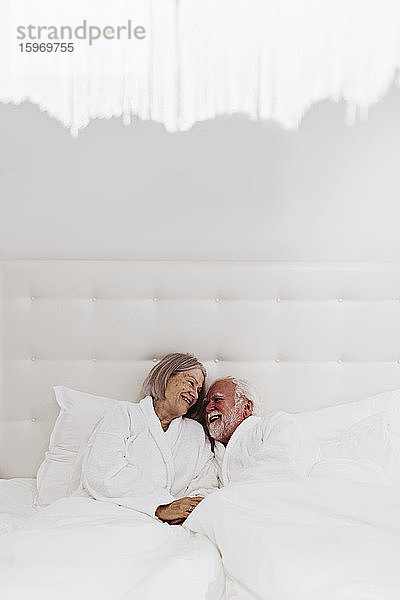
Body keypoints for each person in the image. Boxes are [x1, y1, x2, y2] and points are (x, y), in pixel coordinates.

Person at [82, 353, 218, 524]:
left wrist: (187, 511)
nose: (195, 395)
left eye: (199, 390)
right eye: (190, 383)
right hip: (111, 511)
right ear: (166, 377)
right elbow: (103, 469)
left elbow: (207, 481)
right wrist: (162, 506)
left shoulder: (195, 433)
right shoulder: (125, 413)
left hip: (172, 525)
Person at [204, 377, 320, 486]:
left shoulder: (275, 423)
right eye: (206, 404)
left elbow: (281, 469)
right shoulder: (210, 450)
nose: (208, 408)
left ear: (246, 407)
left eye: (217, 400)